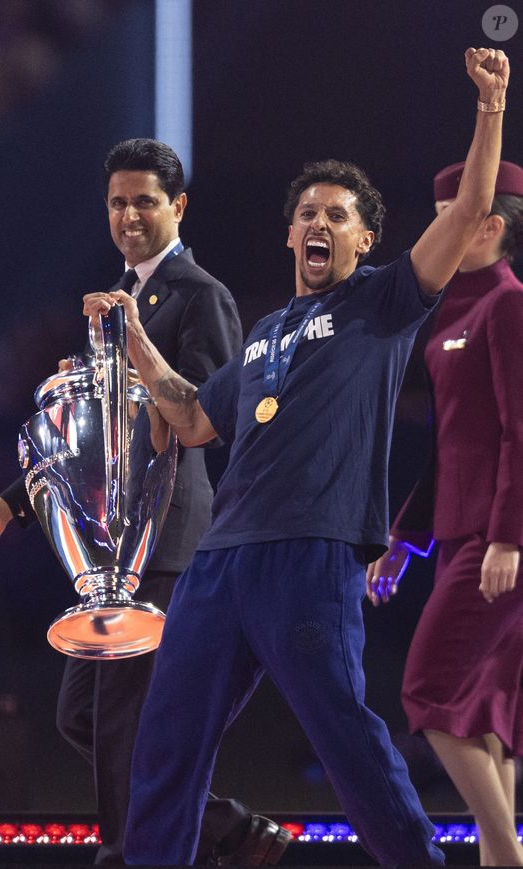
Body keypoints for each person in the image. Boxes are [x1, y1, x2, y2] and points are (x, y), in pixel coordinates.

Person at [81, 47, 509, 867]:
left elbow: (466, 214)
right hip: (221, 563)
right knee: (165, 749)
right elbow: (195, 419)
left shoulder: (383, 300)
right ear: (288, 232)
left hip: (311, 552)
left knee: (347, 740)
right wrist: (134, 335)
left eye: (338, 214)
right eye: (308, 212)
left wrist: (489, 107)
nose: (319, 223)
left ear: (368, 237)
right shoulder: (266, 332)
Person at [0, 138, 291, 866]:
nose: (129, 215)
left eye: (144, 200)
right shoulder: (119, 297)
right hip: (109, 547)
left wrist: (130, 342)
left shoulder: (199, 295)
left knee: (121, 717)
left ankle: (126, 850)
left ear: (178, 206)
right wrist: (4, 509)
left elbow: (207, 414)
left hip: (165, 538)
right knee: (85, 713)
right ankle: (224, 827)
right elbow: (92, 442)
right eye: (117, 202)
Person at [366, 155, 523, 866]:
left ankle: (503, 848)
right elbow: (447, 442)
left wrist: (507, 537)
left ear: (490, 224)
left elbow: (521, 428)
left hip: (498, 542)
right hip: (462, 538)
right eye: (436, 219)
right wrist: (405, 538)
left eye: (454, 218)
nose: (442, 231)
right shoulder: (449, 312)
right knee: (483, 711)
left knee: (426, 690)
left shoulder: (510, 303)